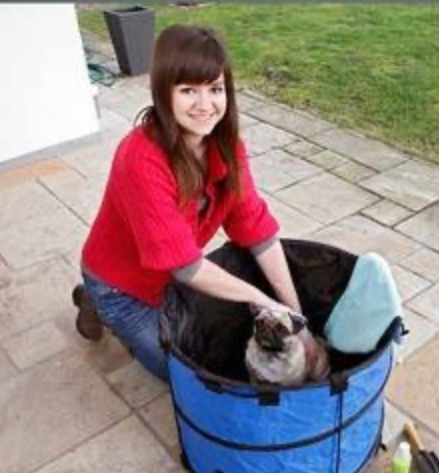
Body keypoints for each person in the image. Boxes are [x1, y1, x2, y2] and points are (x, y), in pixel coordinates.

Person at [73, 24, 302, 382]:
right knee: (191, 379)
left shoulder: (227, 147)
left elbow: (255, 228)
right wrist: (262, 299)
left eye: (215, 89)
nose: (205, 105)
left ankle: (95, 299)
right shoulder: (140, 159)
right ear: (163, 92)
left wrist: (295, 314)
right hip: (121, 288)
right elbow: (186, 267)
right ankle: (96, 299)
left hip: (167, 275)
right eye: (188, 90)